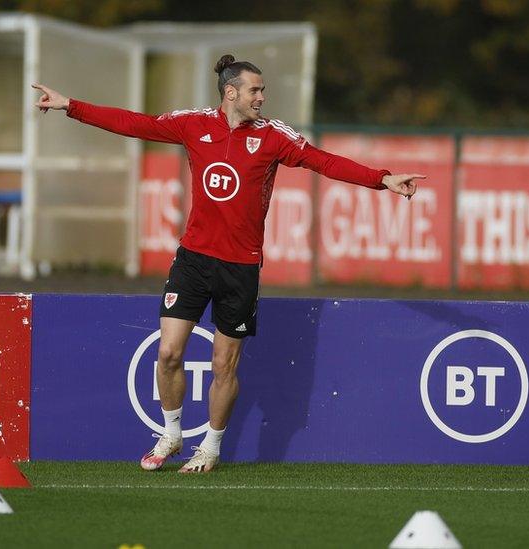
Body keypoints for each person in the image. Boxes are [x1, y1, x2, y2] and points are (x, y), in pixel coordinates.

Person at [32, 55, 424, 473]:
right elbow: (135, 124)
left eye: (263, 90)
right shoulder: (193, 124)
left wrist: (381, 179)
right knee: (168, 353)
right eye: (255, 90)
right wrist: (70, 105)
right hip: (193, 259)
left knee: (224, 364)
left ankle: (211, 448)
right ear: (231, 92)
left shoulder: (273, 136)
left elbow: (323, 162)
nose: (262, 97)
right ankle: (171, 434)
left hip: (240, 267)